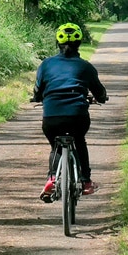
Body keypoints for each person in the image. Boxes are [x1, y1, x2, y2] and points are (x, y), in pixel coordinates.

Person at [33, 22, 107, 201]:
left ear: (58, 43)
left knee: (55, 145)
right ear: (79, 43)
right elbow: (100, 93)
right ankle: (86, 182)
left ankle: (52, 178)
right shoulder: (85, 67)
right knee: (79, 140)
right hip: (77, 116)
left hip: (51, 117)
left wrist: (38, 98)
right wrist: (101, 98)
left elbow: (37, 91)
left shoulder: (46, 65)